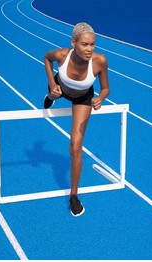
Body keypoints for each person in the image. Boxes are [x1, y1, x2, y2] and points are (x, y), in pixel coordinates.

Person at [43, 22, 110, 217]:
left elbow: (105, 88)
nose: (89, 49)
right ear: (74, 43)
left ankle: (74, 196)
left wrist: (100, 98)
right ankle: (50, 97)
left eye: (93, 44)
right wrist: (51, 82)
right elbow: (46, 59)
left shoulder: (100, 61)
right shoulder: (62, 55)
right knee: (53, 95)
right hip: (60, 87)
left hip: (83, 98)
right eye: (84, 44)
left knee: (75, 146)